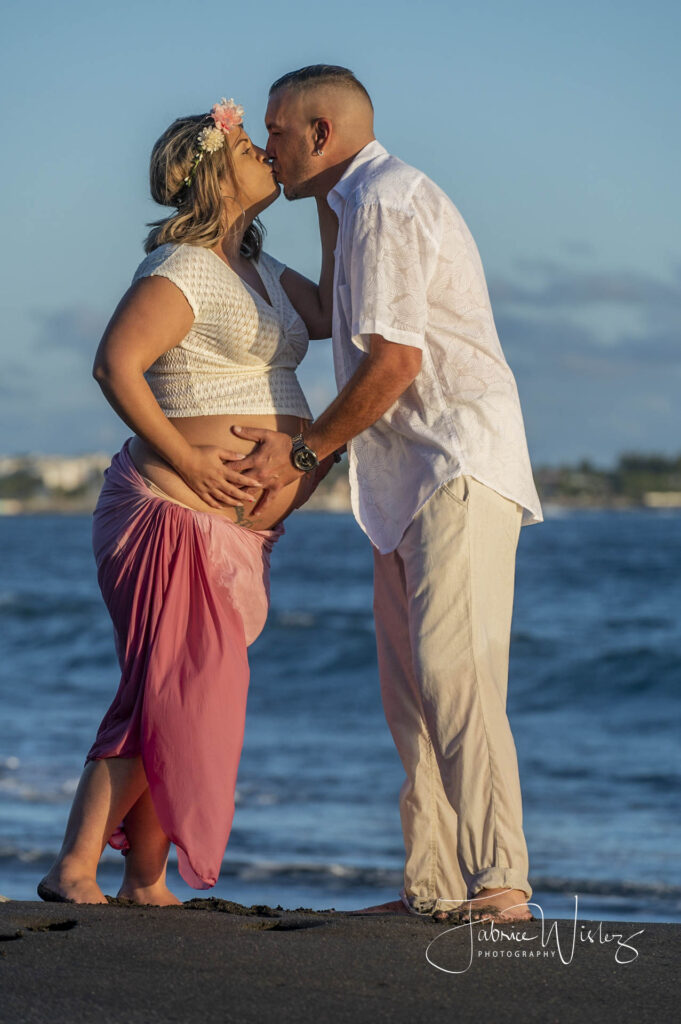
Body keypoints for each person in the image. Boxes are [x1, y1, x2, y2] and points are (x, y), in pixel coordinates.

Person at [228, 66, 543, 924]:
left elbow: (395, 362)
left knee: (453, 674)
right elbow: (334, 315)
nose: (266, 146)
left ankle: (502, 883)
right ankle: (436, 885)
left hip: (455, 464)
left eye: (276, 132)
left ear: (321, 134)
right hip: (405, 481)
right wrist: (235, 223)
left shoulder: (386, 201)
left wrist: (304, 454)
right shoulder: (350, 206)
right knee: (409, 689)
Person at [38, 97, 338, 906]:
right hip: (169, 507)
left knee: (186, 698)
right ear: (210, 170)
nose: (266, 154)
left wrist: (329, 194)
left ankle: (144, 877)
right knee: (170, 689)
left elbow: (339, 307)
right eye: (249, 146)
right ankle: (73, 869)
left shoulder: (266, 274)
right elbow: (115, 366)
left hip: (236, 529)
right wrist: (189, 463)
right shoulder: (181, 268)